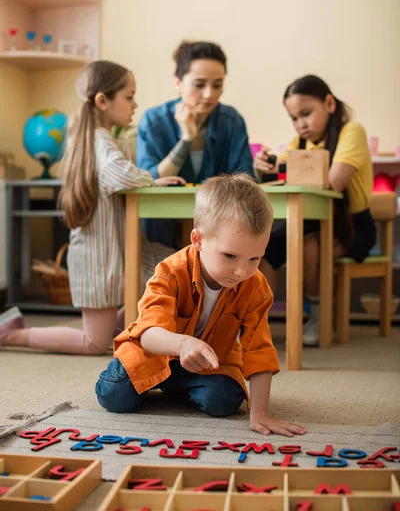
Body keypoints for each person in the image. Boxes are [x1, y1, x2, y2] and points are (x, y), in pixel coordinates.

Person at [96, 174, 307, 437]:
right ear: (198, 240)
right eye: (230, 256)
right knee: (114, 395)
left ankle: (181, 386)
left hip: (210, 363)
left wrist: (260, 413)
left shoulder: (256, 287)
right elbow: (149, 334)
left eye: (255, 258)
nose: (242, 271)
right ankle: (166, 383)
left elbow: (259, 350)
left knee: (224, 401)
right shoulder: (169, 272)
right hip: (153, 355)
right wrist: (183, 344)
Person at [0, 60, 184, 354]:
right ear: (102, 101)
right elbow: (118, 173)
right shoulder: (99, 141)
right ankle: (9, 335)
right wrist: (152, 178)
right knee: (94, 342)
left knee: (169, 273)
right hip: (98, 258)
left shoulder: (94, 139)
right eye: (129, 96)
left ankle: (126, 325)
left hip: (112, 251)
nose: (134, 104)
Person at [254, 75, 376, 346]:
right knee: (258, 250)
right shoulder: (299, 144)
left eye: (306, 114)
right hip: (306, 221)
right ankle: (254, 319)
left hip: (352, 224)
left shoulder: (351, 131)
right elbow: (279, 176)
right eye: (294, 118)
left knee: (309, 248)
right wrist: (267, 166)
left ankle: (319, 315)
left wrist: (286, 170)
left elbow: (333, 182)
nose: (301, 124)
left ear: (329, 104)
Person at [136, 40, 254, 247]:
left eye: (217, 85)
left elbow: (245, 180)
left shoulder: (232, 121)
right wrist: (186, 139)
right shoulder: (154, 121)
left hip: (218, 230)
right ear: (178, 83)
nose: (209, 94)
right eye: (199, 85)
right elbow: (148, 182)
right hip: (162, 228)